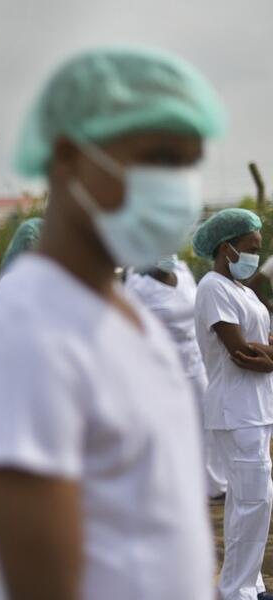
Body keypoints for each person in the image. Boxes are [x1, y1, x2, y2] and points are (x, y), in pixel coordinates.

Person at [0, 46, 226, 600]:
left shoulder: (124, 314)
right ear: (69, 157)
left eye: (188, 164)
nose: (177, 187)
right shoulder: (29, 330)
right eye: (158, 159)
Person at [192, 208, 273, 600]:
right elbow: (241, 352)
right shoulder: (213, 287)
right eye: (250, 247)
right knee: (251, 503)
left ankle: (248, 585)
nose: (256, 254)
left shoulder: (244, 291)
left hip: (255, 409)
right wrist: (265, 355)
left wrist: (266, 354)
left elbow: (264, 345)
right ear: (227, 248)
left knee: (252, 502)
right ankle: (235, 591)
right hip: (235, 410)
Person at [125, 255, 227, 500]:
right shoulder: (137, 285)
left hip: (195, 362)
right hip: (160, 369)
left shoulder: (183, 272)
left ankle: (214, 486)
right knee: (168, 429)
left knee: (208, 425)